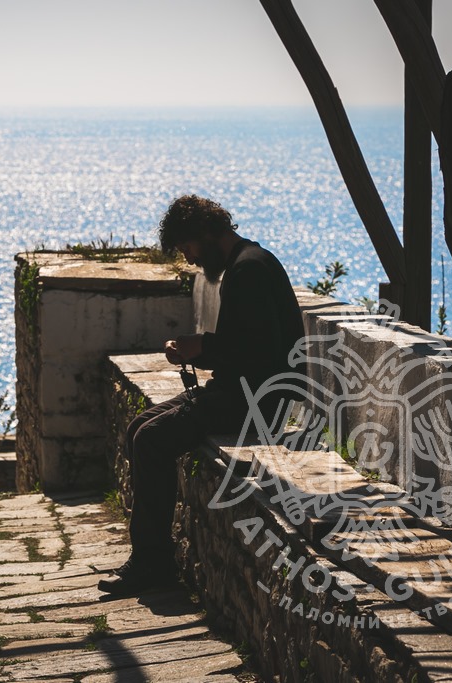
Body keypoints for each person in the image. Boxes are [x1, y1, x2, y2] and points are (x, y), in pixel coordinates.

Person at [98, 194, 305, 597]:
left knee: (151, 440)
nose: (191, 260)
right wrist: (203, 348)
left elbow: (258, 354)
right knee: (141, 426)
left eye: (188, 248)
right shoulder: (248, 264)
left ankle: (152, 564)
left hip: (256, 405)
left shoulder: (248, 272)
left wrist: (202, 348)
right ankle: (149, 553)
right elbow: (245, 345)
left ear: (206, 233)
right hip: (243, 393)